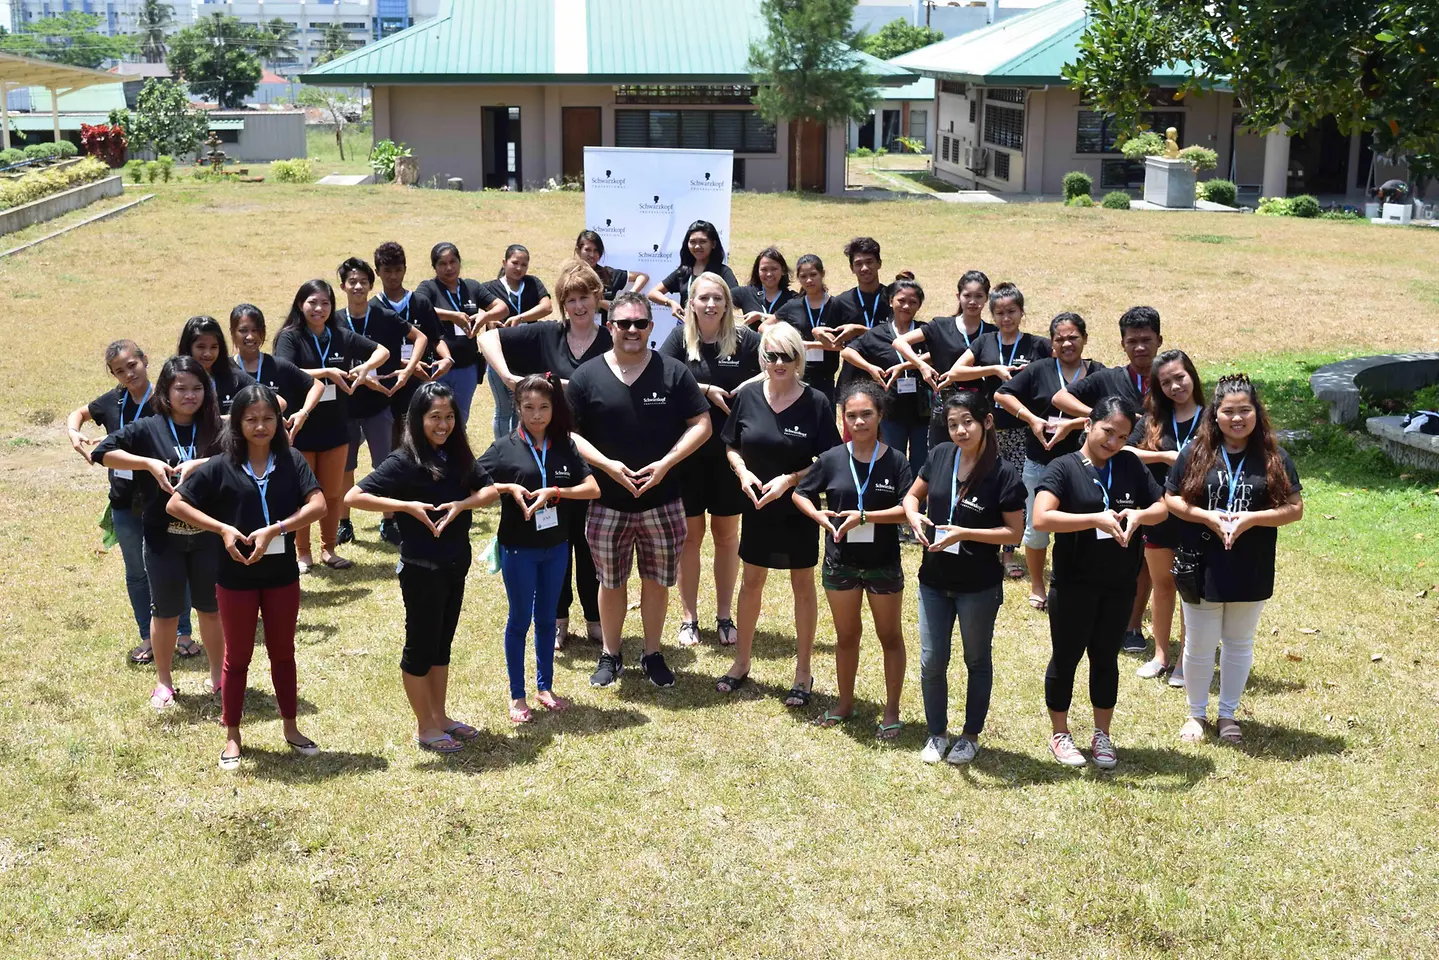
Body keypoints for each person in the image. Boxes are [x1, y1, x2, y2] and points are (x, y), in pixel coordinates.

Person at [166, 385, 326, 769]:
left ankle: (290, 727)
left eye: (268, 418)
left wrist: (279, 528)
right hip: (234, 578)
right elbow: (176, 503)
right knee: (237, 658)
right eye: (251, 419)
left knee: (283, 653)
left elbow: (319, 504)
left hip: (282, 575)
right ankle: (233, 734)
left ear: (279, 422)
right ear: (237, 423)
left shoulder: (291, 460)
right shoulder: (220, 464)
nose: (260, 426)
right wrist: (220, 528)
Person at [566, 291, 712, 689]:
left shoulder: (673, 372)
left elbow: (702, 423)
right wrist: (607, 465)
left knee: (655, 580)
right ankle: (610, 655)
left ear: (651, 327)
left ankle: (652, 653)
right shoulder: (586, 376)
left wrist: (666, 464)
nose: (632, 330)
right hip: (606, 501)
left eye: (640, 323)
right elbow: (569, 434)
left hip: (662, 501)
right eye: (624, 323)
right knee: (610, 581)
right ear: (609, 326)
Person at [345, 383, 499, 753]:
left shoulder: (458, 454)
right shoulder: (404, 460)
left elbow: (491, 491)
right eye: (435, 418)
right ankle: (424, 727)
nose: (443, 425)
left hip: (454, 563)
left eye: (449, 417)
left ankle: (440, 717)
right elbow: (354, 496)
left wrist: (462, 505)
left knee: (441, 645)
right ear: (418, 419)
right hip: (420, 568)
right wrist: (407, 506)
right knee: (420, 647)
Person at [1163, 374, 1303, 745]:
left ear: (1257, 412)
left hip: (1250, 562)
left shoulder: (1274, 456)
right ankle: (1196, 714)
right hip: (1202, 561)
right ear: (1215, 414)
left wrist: (1252, 519)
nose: (1237, 418)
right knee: (1199, 644)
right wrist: (1206, 516)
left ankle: (1227, 715)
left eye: (1245, 410)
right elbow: (1171, 499)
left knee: (1239, 643)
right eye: (1229, 411)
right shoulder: (1195, 453)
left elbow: (1295, 508)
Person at [480, 258, 613, 646]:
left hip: (596, 456)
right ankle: (558, 617)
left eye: (585, 297)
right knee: (556, 540)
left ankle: (595, 617)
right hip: (550, 455)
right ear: (561, 303)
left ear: (597, 298)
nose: (578, 306)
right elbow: (488, 338)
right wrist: (508, 377)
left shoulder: (610, 341)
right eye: (570, 299)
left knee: (591, 544)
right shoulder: (546, 335)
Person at [1032, 396, 1168, 769]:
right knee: (1066, 657)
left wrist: (1139, 515)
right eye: (1108, 431)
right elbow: (1042, 518)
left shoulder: (1129, 464)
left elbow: (1162, 507)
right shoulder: (1063, 467)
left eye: (1122, 436)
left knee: (1106, 659)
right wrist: (1093, 519)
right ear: (1090, 425)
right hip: (1074, 582)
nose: (1114, 442)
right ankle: (1060, 734)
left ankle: (1102, 735)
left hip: (1120, 583)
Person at [717, 322, 841, 702]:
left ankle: (803, 673)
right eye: (771, 355)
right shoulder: (749, 395)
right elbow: (731, 444)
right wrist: (743, 473)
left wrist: (790, 480)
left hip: (798, 506)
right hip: (757, 504)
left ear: (799, 359)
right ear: (762, 358)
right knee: (751, 581)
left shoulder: (817, 401)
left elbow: (829, 457)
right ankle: (741, 663)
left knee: (802, 585)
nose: (779, 362)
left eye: (788, 355)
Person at [92, 355, 225, 710]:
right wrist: (147, 463)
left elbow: (243, 455)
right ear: (165, 391)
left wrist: (204, 463)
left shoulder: (217, 428)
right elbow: (101, 452)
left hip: (209, 536)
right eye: (180, 388)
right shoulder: (148, 427)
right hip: (162, 536)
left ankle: (218, 678)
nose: (189, 395)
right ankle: (164, 683)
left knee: (211, 611)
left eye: (198, 388)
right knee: (165, 612)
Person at [902, 391, 1025, 765]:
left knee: (976, 659)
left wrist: (965, 534)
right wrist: (912, 515)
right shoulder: (940, 455)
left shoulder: (1004, 474)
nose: (959, 430)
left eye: (967, 422)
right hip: (933, 579)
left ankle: (970, 735)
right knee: (931, 660)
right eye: (953, 424)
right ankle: (937, 733)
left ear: (986, 421)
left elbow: (1014, 534)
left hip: (979, 585)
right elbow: (912, 497)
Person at [479, 374, 600, 723]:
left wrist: (557, 493)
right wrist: (505, 487)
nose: (536, 415)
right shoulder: (504, 448)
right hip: (519, 548)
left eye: (544, 407)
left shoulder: (564, 445)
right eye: (529, 407)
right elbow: (472, 480)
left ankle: (544, 687)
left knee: (547, 619)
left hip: (557, 545)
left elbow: (592, 488)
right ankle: (517, 696)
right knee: (519, 620)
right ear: (516, 407)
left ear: (553, 409)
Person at [793, 381, 911, 736]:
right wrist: (818, 516)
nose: (859, 422)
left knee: (890, 636)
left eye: (866, 415)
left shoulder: (896, 460)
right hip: (840, 561)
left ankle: (891, 710)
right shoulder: (831, 458)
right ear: (842, 418)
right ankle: (845, 705)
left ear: (880, 416)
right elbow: (801, 493)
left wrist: (867, 517)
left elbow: (908, 509)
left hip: (882, 562)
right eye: (851, 415)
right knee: (847, 637)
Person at [66, 341, 195, 664]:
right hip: (124, 501)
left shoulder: (164, 402)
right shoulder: (114, 400)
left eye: (132, 366)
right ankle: (147, 637)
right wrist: (73, 432)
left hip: (162, 499)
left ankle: (183, 633)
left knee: (173, 567)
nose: (128, 374)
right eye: (120, 371)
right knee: (137, 572)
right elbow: (80, 413)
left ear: (145, 361)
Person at [1051, 305, 1165, 653]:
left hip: (1156, 476)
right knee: (1121, 546)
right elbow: (1060, 396)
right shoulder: (1109, 379)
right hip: (1113, 473)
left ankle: (1134, 625)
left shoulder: (1170, 378)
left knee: (1149, 556)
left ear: (1160, 341)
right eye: (1133, 341)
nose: (1140, 347)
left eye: (1147, 340)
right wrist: (1099, 418)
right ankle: (1114, 621)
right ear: (1122, 344)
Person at [659, 273, 761, 648]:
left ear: (727, 302)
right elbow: (663, 376)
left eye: (718, 297)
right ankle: (689, 619)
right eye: (703, 298)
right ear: (691, 303)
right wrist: (704, 389)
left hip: (730, 454)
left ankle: (723, 615)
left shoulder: (746, 339)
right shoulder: (679, 339)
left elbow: (777, 367)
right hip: (688, 453)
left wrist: (748, 387)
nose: (711, 304)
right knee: (690, 537)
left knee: (725, 535)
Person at [272, 278, 389, 571]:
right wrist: (326, 370)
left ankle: (329, 549)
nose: (319, 308)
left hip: (338, 426)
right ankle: (302, 553)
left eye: (325, 303)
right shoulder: (289, 337)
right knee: (303, 496)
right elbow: (284, 368)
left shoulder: (340, 334)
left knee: (333, 493)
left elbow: (382, 352)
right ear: (301, 304)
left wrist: (364, 368)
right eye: (313, 302)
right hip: (302, 426)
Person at [994, 312, 1102, 611]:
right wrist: (1031, 418)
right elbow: (1002, 394)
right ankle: (1038, 584)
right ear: (1052, 343)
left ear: (1084, 338)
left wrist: (1076, 423)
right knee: (1037, 528)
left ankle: (1076, 581)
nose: (1067, 343)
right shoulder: (1040, 369)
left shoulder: (1098, 372)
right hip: (1040, 462)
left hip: (1085, 466)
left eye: (1073, 337)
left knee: (1082, 526)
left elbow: (1108, 415)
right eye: (1060, 339)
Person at [942, 282, 1051, 579]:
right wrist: (991, 370)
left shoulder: (1037, 344)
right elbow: (955, 372)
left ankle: (1009, 551)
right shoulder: (985, 342)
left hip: (1023, 429)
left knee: (1017, 491)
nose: (1006, 318)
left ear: (1022, 312)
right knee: (987, 487)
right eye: (1000, 312)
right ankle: (986, 542)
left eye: (1012, 312)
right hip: (988, 429)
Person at [335, 256, 428, 548]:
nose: (358, 286)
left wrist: (410, 369)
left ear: (370, 284)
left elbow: (420, 338)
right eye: (352, 282)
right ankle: (344, 523)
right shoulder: (335, 320)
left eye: (363, 281)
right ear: (343, 286)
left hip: (379, 403)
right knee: (344, 467)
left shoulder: (383, 314)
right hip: (345, 406)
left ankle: (388, 521)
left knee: (385, 464)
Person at [1129, 349, 1204, 681]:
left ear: (1192, 375)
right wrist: (1165, 457)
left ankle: (1185, 662)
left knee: (1191, 588)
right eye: (1166, 382)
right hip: (1159, 512)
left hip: (1196, 513)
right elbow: (1125, 449)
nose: (1176, 386)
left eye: (1180, 377)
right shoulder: (1153, 421)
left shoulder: (1212, 418)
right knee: (1161, 585)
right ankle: (1161, 655)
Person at [893, 269, 997, 448]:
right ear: (958, 296)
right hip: (945, 406)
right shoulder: (940, 326)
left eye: (979, 296)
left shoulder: (992, 332)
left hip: (978, 408)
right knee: (941, 456)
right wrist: (921, 365)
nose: (972, 301)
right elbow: (899, 342)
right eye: (967, 295)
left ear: (986, 298)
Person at [840, 272, 930, 472]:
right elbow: (847, 352)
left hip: (923, 411)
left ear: (919, 305)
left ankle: (919, 503)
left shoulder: (926, 331)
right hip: (891, 410)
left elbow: (939, 352)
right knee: (893, 461)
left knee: (921, 464)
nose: (906, 306)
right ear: (891, 301)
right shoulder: (878, 333)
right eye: (901, 300)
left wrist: (907, 365)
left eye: (913, 302)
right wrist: (870, 368)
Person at [372, 241, 454, 454]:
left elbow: (436, 338)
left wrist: (447, 358)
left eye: (398, 270)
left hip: (420, 381)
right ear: (377, 272)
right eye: (387, 271)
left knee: (422, 438)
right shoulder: (373, 308)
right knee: (393, 442)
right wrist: (407, 364)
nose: (393, 276)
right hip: (387, 384)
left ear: (405, 270)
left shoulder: (420, 302)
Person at [415, 242, 505, 427]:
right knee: (434, 420)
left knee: (460, 420)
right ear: (434, 267)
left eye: (453, 261)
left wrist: (484, 316)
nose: (449, 268)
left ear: (459, 262)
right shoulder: (429, 288)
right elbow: (418, 309)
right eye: (442, 263)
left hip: (467, 368)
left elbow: (502, 308)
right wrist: (451, 316)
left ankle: (457, 455)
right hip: (437, 367)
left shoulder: (471, 286)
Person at [229, 304, 326, 446]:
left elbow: (317, 385)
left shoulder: (278, 365)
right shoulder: (224, 369)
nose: (250, 336)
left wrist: (303, 413)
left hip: (277, 446)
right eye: (243, 330)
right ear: (232, 332)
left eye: (255, 330)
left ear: (263, 332)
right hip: (236, 447)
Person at [483, 244, 553, 440]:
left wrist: (520, 318)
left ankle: (525, 445)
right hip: (500, 358)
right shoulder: (490, 287)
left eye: (524, 264)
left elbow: (547, 307)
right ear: (504, 263)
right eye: (515, 263)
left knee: (525, 407)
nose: (519, 268)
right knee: (504, 410)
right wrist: (490, 320)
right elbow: (481, 316)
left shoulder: (532, 283)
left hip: (530, 358)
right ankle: (503, 449)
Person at [773, 254, 854, 404]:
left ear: (822, 274)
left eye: (813, 275)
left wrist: (810, 345)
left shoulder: (836, 305)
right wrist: (786, 343)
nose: (809, 280)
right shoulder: (793, 305)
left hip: (826, 379)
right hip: (797, 377)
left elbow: (842, 345)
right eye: (803, 276)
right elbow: (766, 326)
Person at [833, 237, 893, 395]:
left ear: (879, 263)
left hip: (888, 375)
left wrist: (860, 331)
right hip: (853, 377)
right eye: (858, 263)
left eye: (869, 262)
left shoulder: (895, 299)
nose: (864, 268)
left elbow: (900, 335)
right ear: (851, 268)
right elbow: (833, 340)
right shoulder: (841, 301)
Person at [649, 219, 739, 314]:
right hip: (686, 325)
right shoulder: (684, 272)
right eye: (692, 242)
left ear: (713, 244)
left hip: (714, 326)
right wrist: (670, 303)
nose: (697, 246)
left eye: (703, 242)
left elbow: (736, 300)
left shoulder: (723, 272)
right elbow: (653, 293)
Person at [178, 315, 254, 417]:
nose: (208, 353)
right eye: (201, 347)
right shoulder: (176, 378)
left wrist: (240, 418)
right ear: (188, 347)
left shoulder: (233, 377)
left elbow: (279, 402)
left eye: (214, 347)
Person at [575, 229, 648, 323]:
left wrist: (630, 295)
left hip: (606, 332)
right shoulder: (571, 276)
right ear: (578, 251)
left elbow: (642, 277)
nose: (592, 255)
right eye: (588, 250)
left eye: (596, 250)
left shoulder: (609, 274)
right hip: (579, 330)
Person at [731, 246, 796, 327]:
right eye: (764, 269)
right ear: (757, 271)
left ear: (783, 270)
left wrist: (761, 316)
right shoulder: (746, 293)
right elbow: (720, 299)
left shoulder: (793, 299)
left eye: (774, 269)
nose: (769, 274)